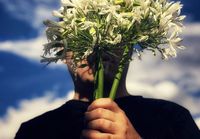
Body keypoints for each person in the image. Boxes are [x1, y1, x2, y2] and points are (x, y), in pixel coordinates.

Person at [15, 51, 200, 139]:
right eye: (80, 31)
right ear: (63, 54)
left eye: (111, 28)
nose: (95, 46)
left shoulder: (171, 117)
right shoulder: (34, 131)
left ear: (129, 46)